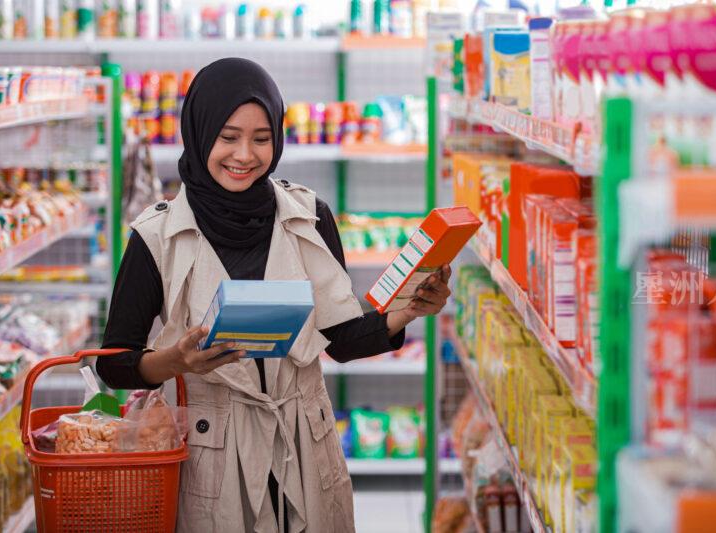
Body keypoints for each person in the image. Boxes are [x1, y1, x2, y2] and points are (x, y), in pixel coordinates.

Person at [97, 58, 451, 533]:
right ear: (199, 132)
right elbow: (114, 361)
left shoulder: (309, 216)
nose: (245, 154)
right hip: (212, 456)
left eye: (262, 138)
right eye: (228, 137)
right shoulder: (156, 235)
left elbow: (341, 340)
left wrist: (403, 312)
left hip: (305, 443)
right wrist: (174, 361)